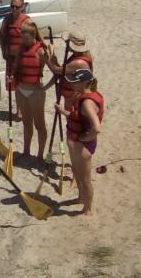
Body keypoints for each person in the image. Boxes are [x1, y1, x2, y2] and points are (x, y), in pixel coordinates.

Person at [55, 68, 104, 216]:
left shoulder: (87, 102)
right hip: (76, 143)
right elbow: (77, 116)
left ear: (85, 83)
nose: (72, 84)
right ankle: (81, 198)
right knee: (77, 173)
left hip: (82, 146)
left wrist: (84, 139)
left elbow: (97, 128)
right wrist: (63, 111)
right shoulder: (83, 96)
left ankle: (87, 209)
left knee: (85, 179)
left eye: (75, 82)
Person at [13, 21, 49, 160]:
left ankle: (40, 155)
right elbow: (16, 67)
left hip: (35, 92)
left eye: (26, 38)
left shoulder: (41, 51)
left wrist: (46, 87)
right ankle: (26, 151)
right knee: (26, 123)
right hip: (21, 90)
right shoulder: (21, 48)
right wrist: (12, 77)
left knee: (39, 125)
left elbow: (56, 70)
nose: (24, 40)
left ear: (33, 35)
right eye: (22, 37)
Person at [47, 31, 94, 108]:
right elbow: (64, 70)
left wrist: (49, 55)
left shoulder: (78, 62)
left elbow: (56, 70)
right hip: (72, 93)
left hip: (74, 95)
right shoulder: (79, 56)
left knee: (71, 113)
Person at [0, 0, 33, 89]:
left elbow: (34, 39)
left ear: (22, 7)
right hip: (10, 58)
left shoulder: (27, 21)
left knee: (24, 83)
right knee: (12, 85)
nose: (14, 9)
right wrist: (4, 51)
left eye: (17, 7)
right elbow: (1, 36)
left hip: (23, 58)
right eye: (12, 6)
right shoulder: (6, 20)